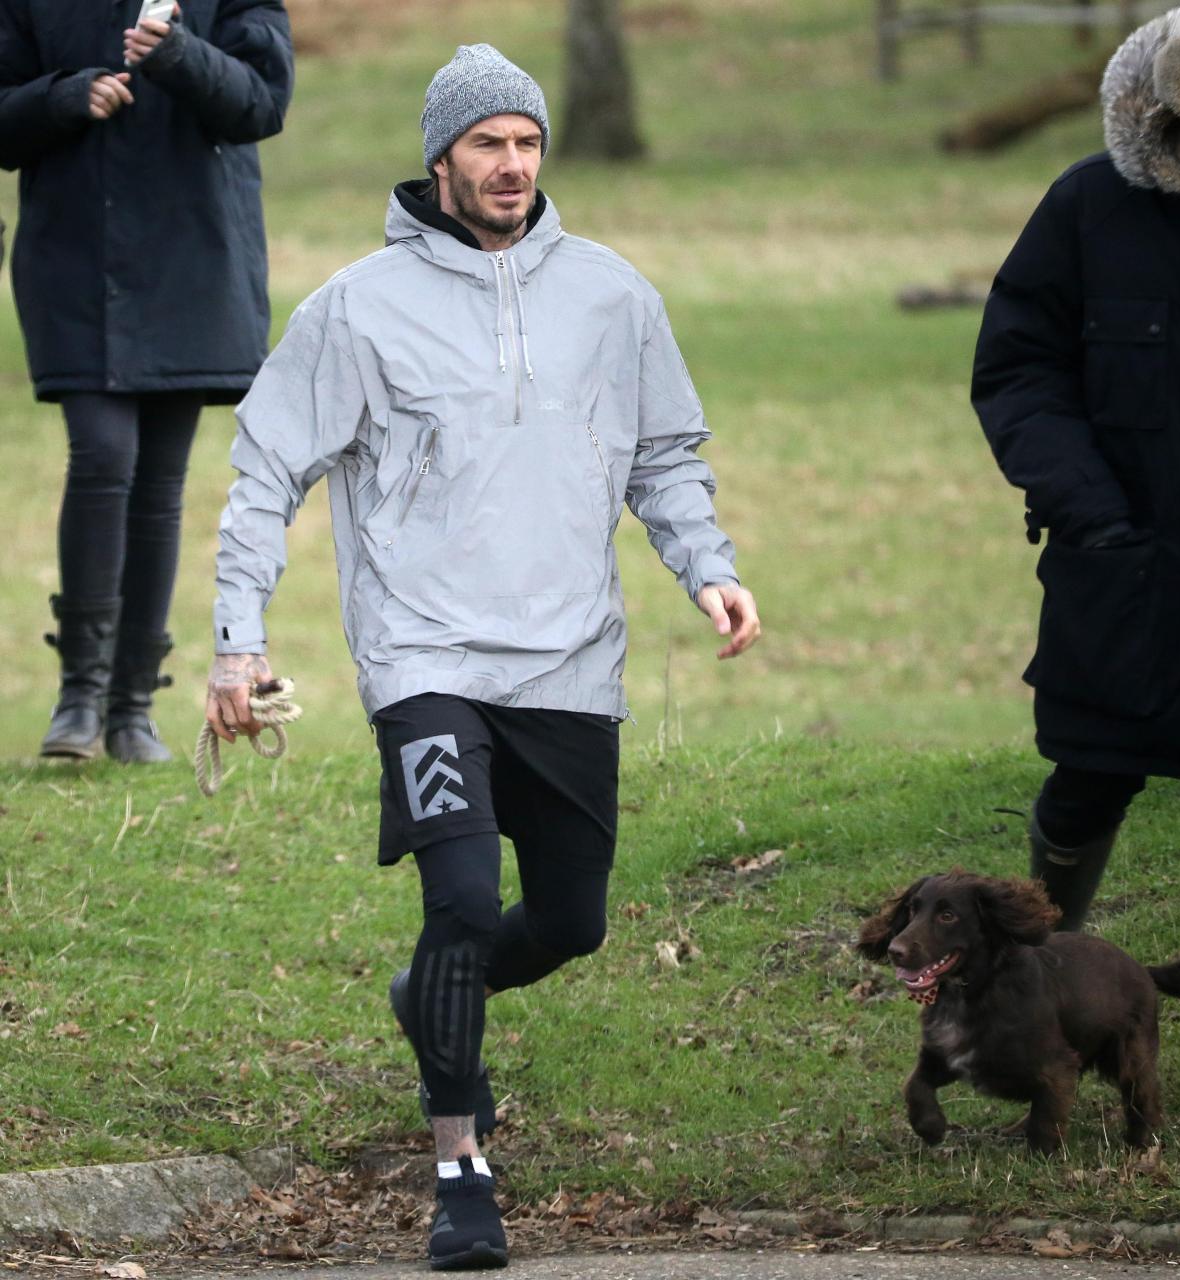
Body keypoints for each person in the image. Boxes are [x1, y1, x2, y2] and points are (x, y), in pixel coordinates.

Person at [205, 43, 760, 1270]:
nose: (511, 166)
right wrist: (236, 645)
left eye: (526, 143)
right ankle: (460, 1168)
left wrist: (707, 567)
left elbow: (663, 456)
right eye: (486, 145)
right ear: (439, 157)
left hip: (569, 659)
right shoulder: (356, 308)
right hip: (425, 657)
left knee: (568, 922)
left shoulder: (614, 295)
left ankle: (431, 1002)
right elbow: (263, 476)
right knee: (456, 900)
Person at [972, 0, 1180, 1125]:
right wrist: (1087, 509)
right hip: (1125, 570)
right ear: (1160, 112)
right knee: (1087, 779)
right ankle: (1019, 1015)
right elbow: (1015, 370)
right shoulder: (1085, 208)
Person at [0, 0, 293, 763]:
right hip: (74, 262)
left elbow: (263, 103)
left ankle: (132, 710)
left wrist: (177, 55)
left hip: (192, 261)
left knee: (160, 485)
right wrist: (64, 97)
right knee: (101, 457)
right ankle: (78, 698)